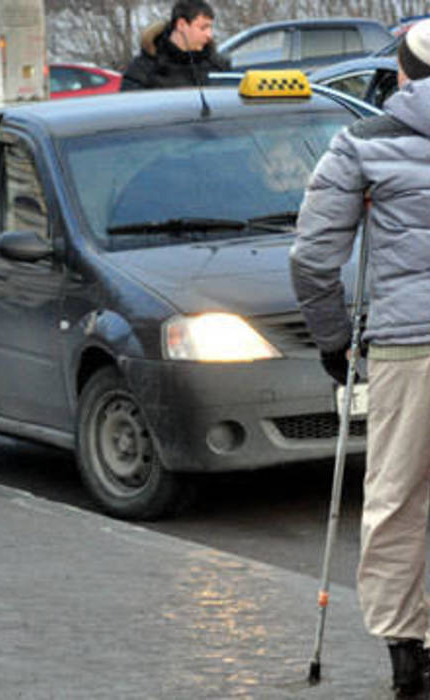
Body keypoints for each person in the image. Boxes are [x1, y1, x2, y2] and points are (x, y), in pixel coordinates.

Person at [290, 18, 430, 699]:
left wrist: (331, 341)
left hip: (410, 349)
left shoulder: (360, 144)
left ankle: (408, 657)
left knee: (398, 499)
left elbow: (314, 260)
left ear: (400, 73)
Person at [120, 0, 229, 91]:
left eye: (210, 28)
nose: (209, 35)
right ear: (181, 25)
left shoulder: (218, 67)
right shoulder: (143, 69)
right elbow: (129, 109)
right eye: (203, 28)